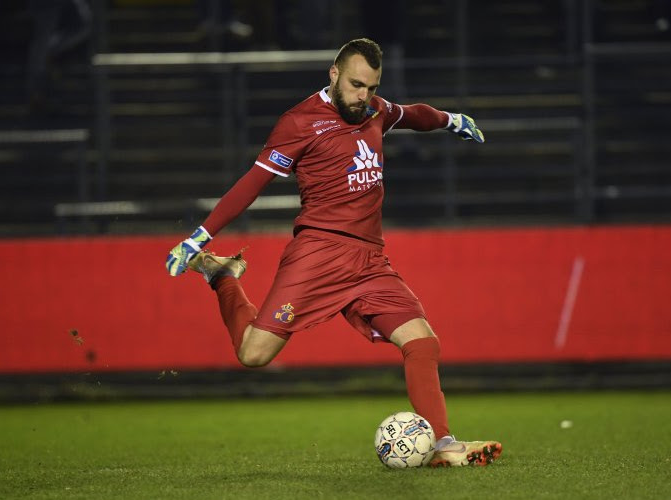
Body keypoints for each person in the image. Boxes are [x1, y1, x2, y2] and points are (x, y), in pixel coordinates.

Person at [165, 38, 502, 467]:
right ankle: (223, 276)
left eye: (372, 88)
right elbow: (252, 183)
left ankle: (442, 445)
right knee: (253, 354)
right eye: (356, 85)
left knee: (423, 343)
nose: (364, 96)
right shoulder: (299, 122)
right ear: (334, 74)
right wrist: (201, 236)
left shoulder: (374, 109)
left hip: (370, 260)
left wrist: (449, 119)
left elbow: (413, 113)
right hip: (318, 254)